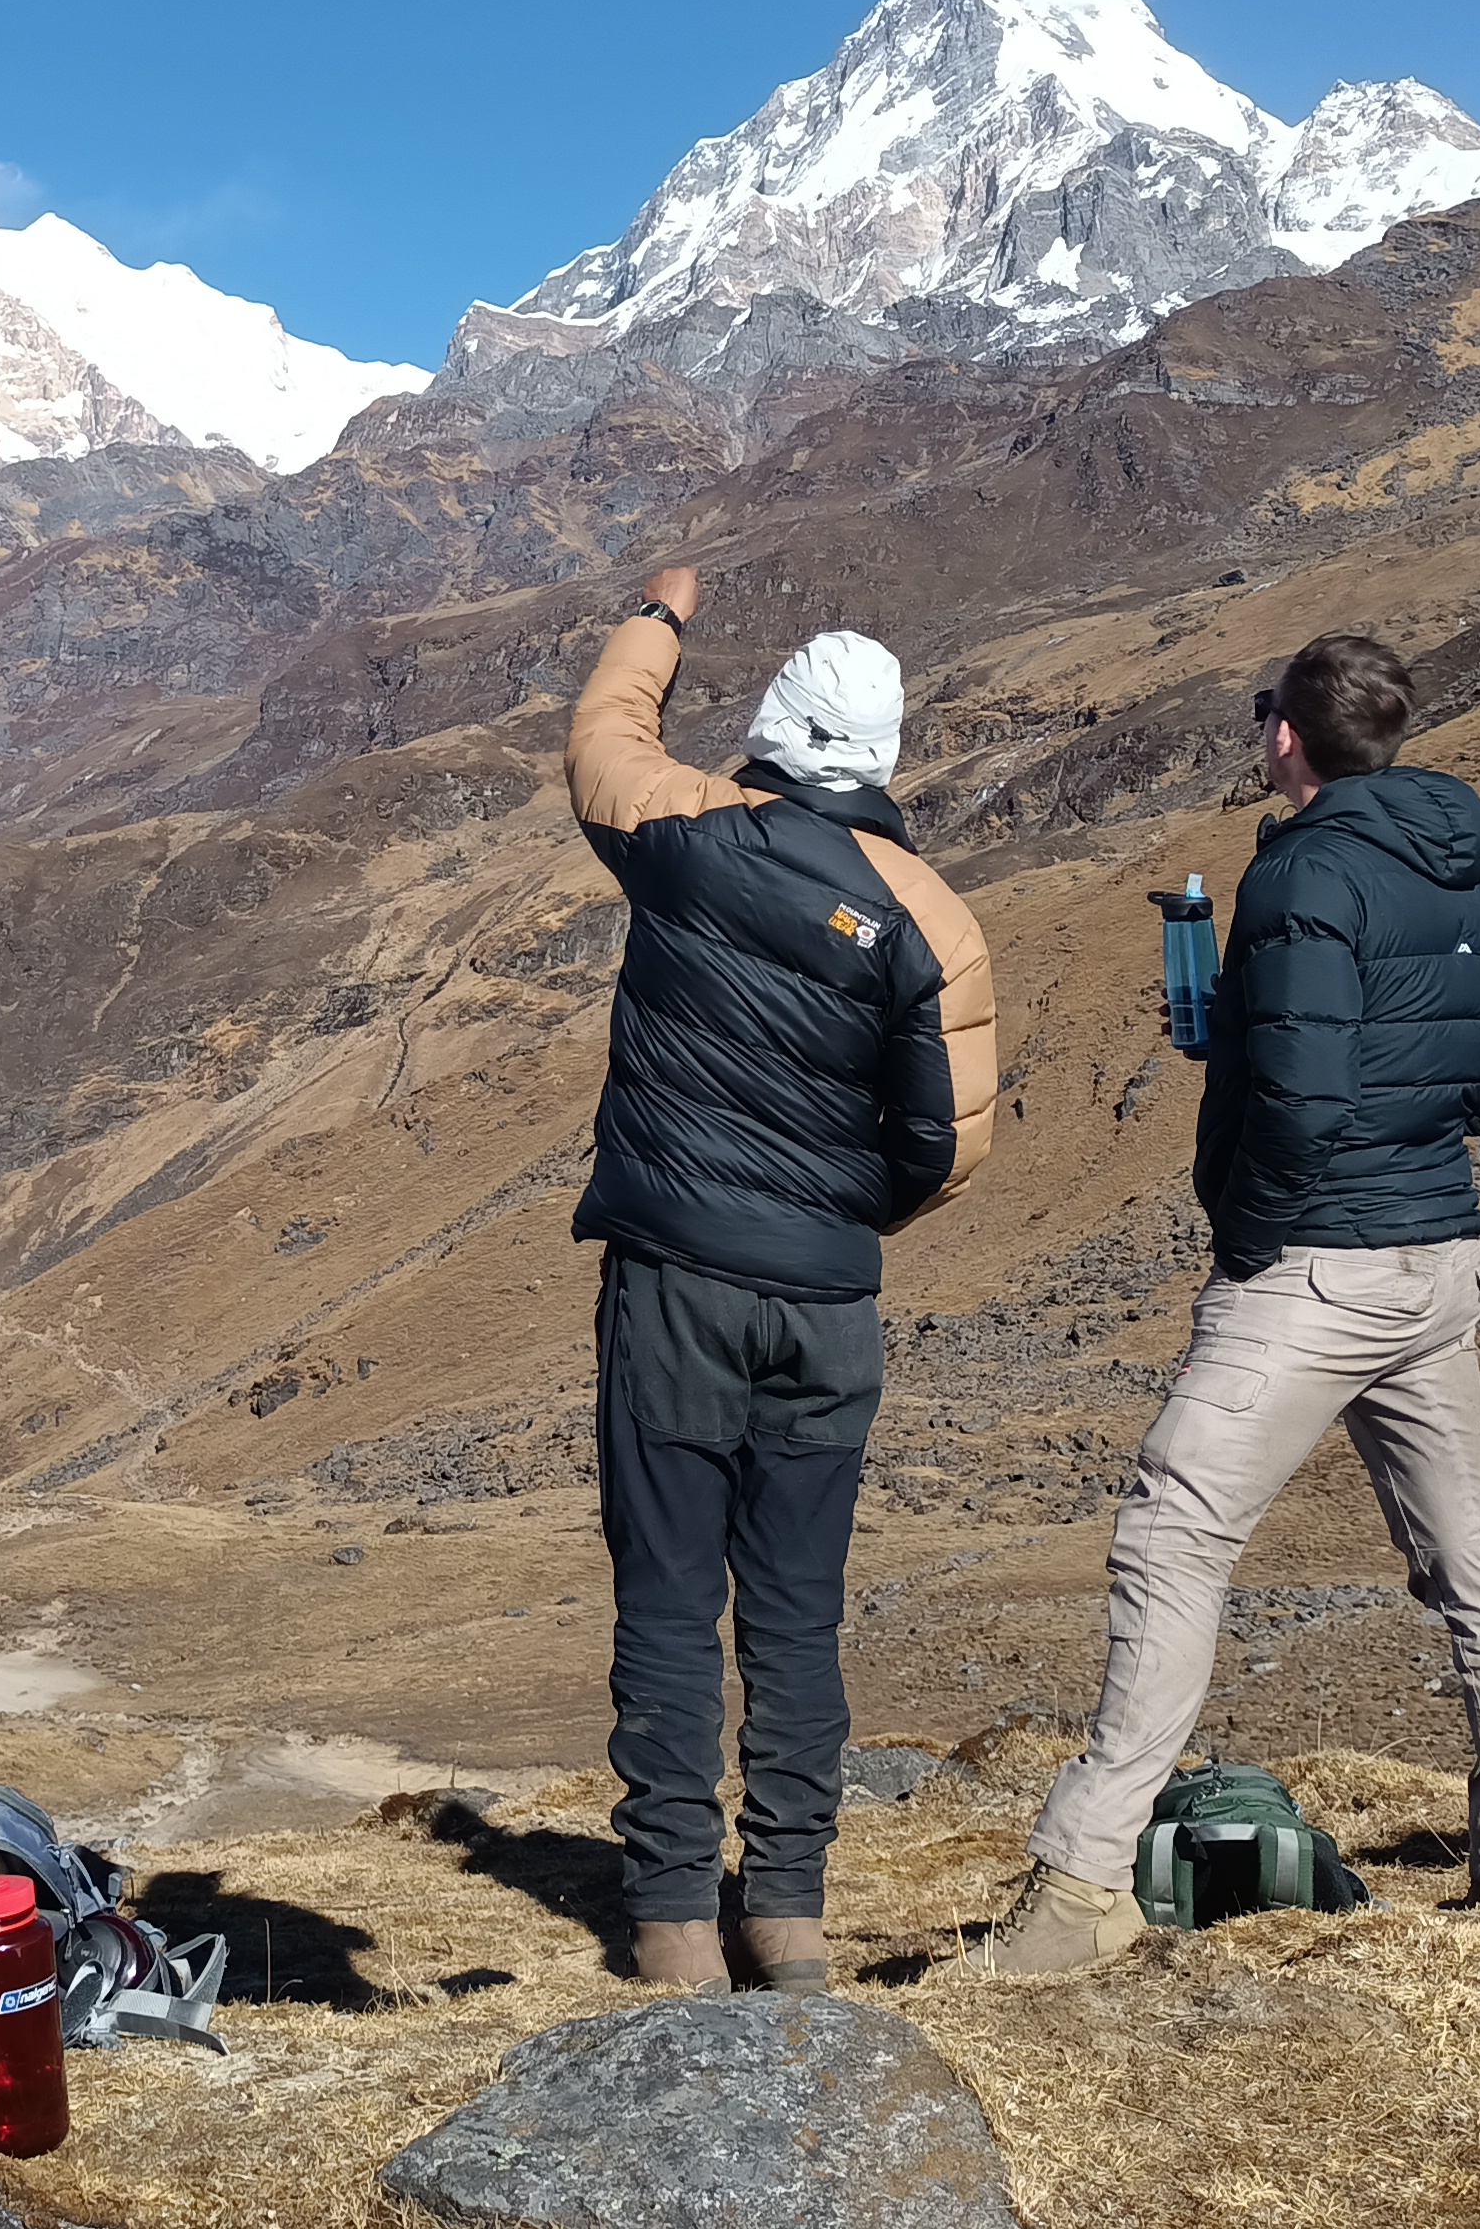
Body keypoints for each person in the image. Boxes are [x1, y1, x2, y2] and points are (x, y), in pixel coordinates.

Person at [978, 631, 1480, 1975]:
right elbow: (1475, 1092)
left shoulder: (1299, 872)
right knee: (1475, 1563)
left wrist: (1248, 1241)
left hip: (1316, 1263)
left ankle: (1075, 1895)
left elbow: (1299, 1103)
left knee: (1172, 1537)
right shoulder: (1475, 889)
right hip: (1436, 1256)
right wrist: (1248, 1029)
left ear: (1288, 738)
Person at [565, 563, 996, 1995]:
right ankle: (791, 1911)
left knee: (672, 1598)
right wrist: (832, 1217)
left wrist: (661, 616)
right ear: (882, 758)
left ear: (772, 726)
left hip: (676, 1287)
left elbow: (601, 745)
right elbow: (947, 1145)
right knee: (798, 1611)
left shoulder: (686, 838)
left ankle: (677, 1916)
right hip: (826, 1308)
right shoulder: (926, 916)